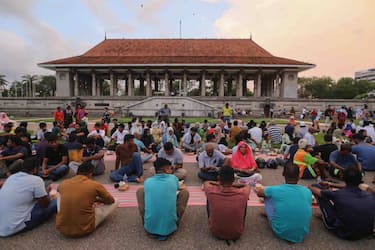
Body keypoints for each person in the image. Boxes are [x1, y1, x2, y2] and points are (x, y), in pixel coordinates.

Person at [309, 166, 375, 240]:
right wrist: (330, 184)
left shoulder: (338, 194)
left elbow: (316, 191)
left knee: (318, 190)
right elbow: (353, 186)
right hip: (366, 232)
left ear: (343, 178)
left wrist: (309, 187)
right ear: (361, 180)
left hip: (345, 233)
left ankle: (328, 218)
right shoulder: (369, 194)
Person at [255, 162, 312, 243]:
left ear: (283, 174)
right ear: (299, 175)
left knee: (267, 196)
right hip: (303, 233)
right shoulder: (307, 191)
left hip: (280, 231)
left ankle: (270, 214)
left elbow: (259, 193)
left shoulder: (275, 189)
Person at [56, 162, 118, 237]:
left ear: (77, 172)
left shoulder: (63, 183)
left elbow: (59, 190)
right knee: (116, 200)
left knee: (60, 194)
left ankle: (65, 217)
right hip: (85, 229)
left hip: (62, 229)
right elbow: (111, 201)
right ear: (90, 174)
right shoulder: (94, 184)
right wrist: (97, 200)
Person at [0, 158, 57, 237]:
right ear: (35, 169)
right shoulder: (36, 180)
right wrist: (47, 195)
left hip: (2, 225)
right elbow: (44, 205)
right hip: (15, 226)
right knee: (57, 201)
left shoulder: (11, 178)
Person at [136, 158, 189, 241]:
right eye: (171, 168)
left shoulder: (148, 181)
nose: (172, 170)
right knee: (185, 193)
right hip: (170, 228)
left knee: (140, 191)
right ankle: (173, 221)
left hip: (149, 228)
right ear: (167, 169)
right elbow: (177, 189)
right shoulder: (173, 179)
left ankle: (146, 220)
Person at [204, 166, 250, 241]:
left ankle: (213, 221)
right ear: (233, 179)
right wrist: (232, 185)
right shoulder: (243, 193)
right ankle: (239, 223)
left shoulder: (210, 191)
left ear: (219, 178)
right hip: (237, 233)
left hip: (215, 232)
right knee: (245, 200)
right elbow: (246, 185)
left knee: (209, 198)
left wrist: (219, 183)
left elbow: (207, 182)